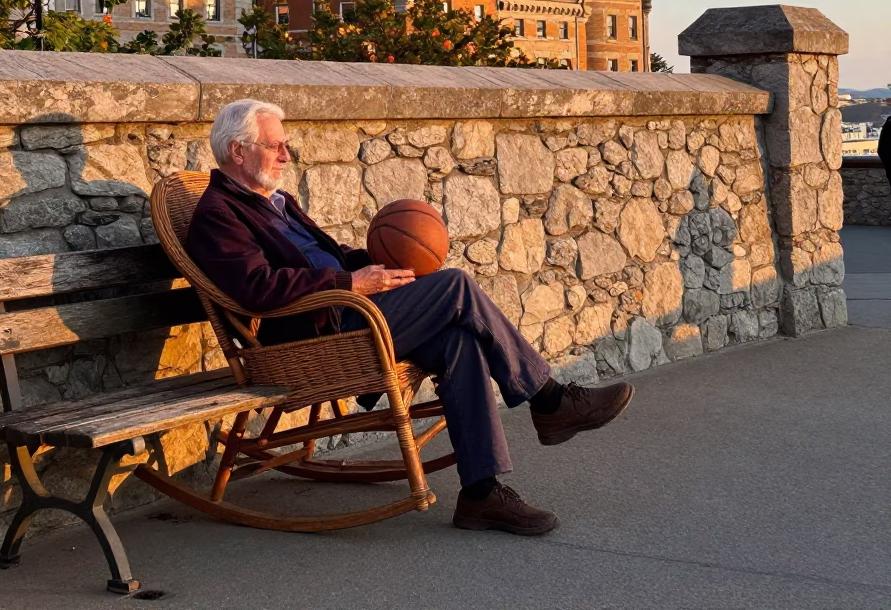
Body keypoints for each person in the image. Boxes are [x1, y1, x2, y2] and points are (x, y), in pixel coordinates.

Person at [185, 99, 634, 535]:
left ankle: (481, 493)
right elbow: (256, 288)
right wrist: (350, 285)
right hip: (319, 335)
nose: (286, 155)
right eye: (274, 145)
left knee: (461, 341)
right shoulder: (218, 214)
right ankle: (550, 399)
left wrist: (383, 260)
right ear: (237, 151)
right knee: (456, 285)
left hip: (351, 313)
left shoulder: (275, 202)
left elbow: (331, 256)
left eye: (286, 145)